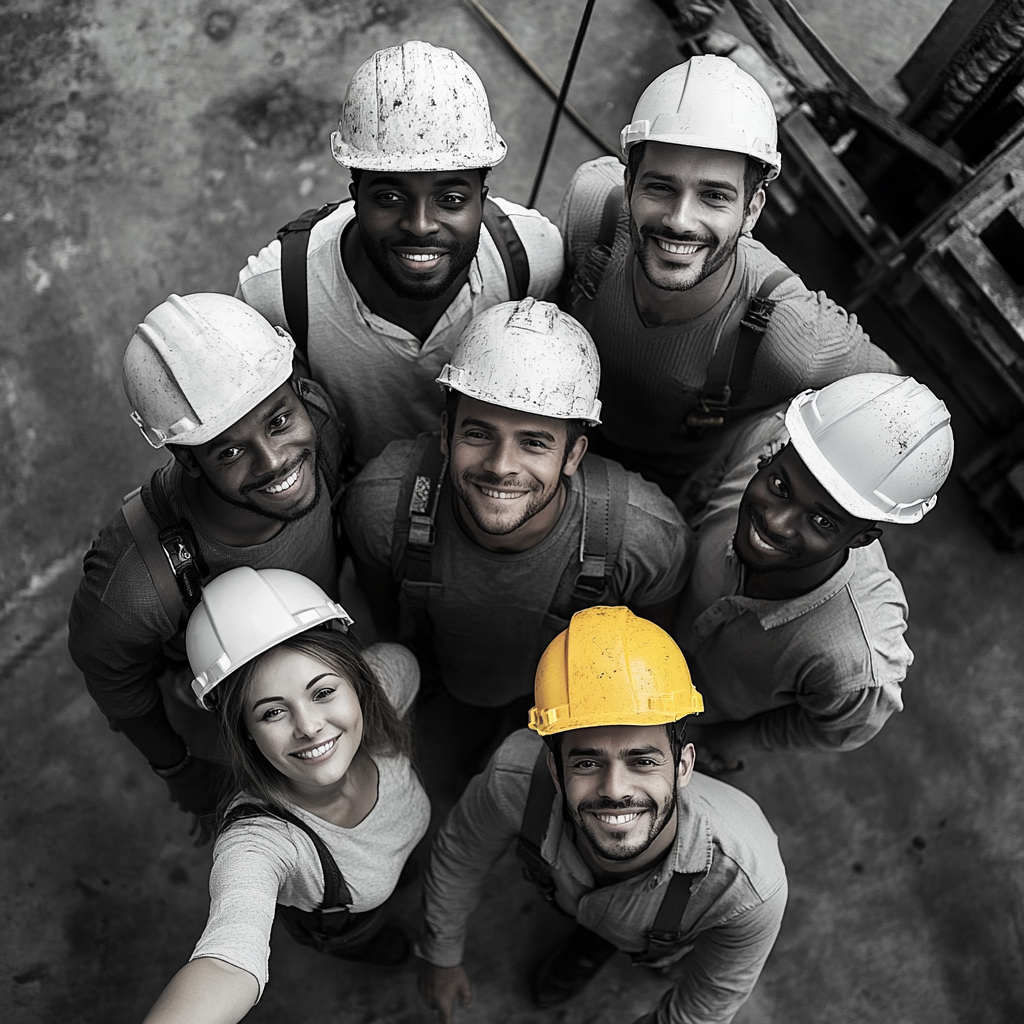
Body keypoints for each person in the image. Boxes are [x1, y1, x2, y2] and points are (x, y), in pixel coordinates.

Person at [341, 298, 694, 765]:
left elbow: (643, 662)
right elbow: (384, 617)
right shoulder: (385, 505)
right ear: (446, 434)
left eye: (533, 442)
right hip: (440, 671)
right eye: (479, 434)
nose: (500, 466)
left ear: (573, 455)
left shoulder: (645, 540)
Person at [417, 605, 787, 1024]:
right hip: (572, 900)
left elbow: (700, 1010)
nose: (614, 790)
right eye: (587, 763)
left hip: (662, 934)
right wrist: (441, 953)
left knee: (655, 947)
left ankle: (609, 944)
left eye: (643, 762)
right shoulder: (515, 777)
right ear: (555, 770)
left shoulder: (747, 888)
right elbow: (460, 855)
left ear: (683, 766)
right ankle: (595, 937)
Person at [558, 54, 899, 494]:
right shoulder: (595, 211)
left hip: (666, 483)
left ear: (751, 210)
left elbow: (895, 399)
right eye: (660, 187)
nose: (680, 220)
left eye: (714, 196)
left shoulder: (790, 335)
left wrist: (773, 461)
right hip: (562, 419)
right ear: (628, 185)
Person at [68, 293, 346, 828]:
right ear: (186, 461)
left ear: (296, 396)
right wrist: (178, 768)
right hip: (227, 721)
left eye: (280, 420)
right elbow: (116, 685)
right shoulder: (134, 581)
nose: (276, 461)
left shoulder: (322, 423)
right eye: (230, 452)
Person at [237, 40, 564, 468]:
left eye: (450, 198)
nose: (420, 225)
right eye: (390, 196)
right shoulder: (277, 293)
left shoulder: (533, 258)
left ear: (483, 198)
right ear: (355, 195)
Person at [142, 567, 429, 1023]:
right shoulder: (261, 841)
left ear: (357, 684)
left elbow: (401, 661)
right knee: (378, 944)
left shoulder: (388, 685)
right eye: (273, 711)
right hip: (348, 923)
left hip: (398, 859)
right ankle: (385, 950)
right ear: (247, 734)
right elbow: (227, 960)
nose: (309, 726)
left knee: (408, 873)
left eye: (323, 692)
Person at [672, 373, 954, 771]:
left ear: (862, 539)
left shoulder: (856, 659)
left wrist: (729, 740)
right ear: (772, 455)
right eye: (780, 486)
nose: (776, 522)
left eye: (822, 522)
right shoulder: (766, 437)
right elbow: (702, 488)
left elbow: (840, 727)